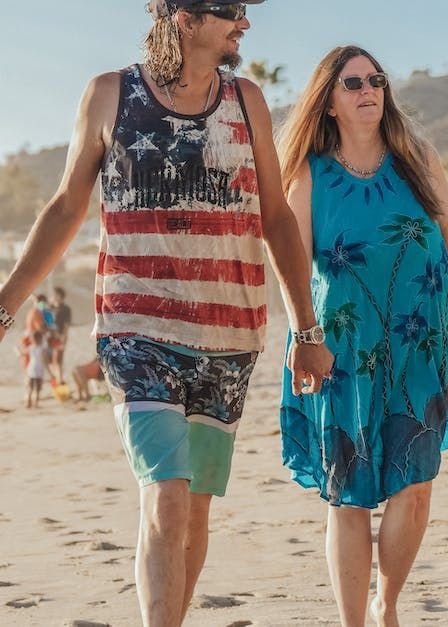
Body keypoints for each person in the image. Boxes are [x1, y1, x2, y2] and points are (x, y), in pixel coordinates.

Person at [0, 1, 334, 624]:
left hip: (229, 333)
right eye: (230, 10)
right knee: (169, 497)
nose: (245, 23)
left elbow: (277, 219)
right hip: (137, 330)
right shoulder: (109, 95)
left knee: (196, 508)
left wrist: (305, 330)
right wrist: (6, 304)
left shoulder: (247, 101)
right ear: (183, 16)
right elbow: (68, 204)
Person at [275, 45, 448, 626]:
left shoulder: (416, 156)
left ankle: (387, 605)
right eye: (352, 83)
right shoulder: (307, 174)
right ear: (330, 101)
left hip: (423, 345)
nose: (368, 90)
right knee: (347, 496)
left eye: (376, 80)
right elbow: (292, 267)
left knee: (414, 484)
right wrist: (303, 336)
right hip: (341, 350)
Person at [21, 330, 49, 409]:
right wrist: (50, 373)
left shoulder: (30, 347)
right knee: (37, 388)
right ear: (40, 339)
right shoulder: (42, 349)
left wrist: (17, 351)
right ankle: (35, 404)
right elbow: (45, 361)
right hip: (39, 369)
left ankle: (28, 403)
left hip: (31, 368)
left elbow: (21, 354)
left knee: (30, 388)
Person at [49, 286, 73, 383]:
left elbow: (67, 324)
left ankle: (60, 380)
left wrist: (63, 336)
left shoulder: (66, 308)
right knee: (51, 360)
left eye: (55, 294)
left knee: (58, 359)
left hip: (60, 337)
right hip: (50, 337)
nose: (53, 296)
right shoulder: (51, 307)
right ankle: (56, 378)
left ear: (59, 295)